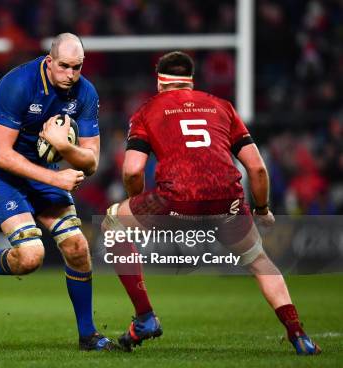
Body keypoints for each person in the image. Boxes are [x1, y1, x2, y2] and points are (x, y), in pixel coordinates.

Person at [103, 51, 321, 355]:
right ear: (190, 81)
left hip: (175, 199)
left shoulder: (147, 111)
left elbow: (132, 169)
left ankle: (145, 317)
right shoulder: (222, 106)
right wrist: (261, 209)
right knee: (259, 260)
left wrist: (137, 202)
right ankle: (299, 335)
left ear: (160, 82)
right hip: (228, 201)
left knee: (112, 224)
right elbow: (257, 167)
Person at [0, 33, 115, 351]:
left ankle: (88, 335)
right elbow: (0, 153)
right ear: (49, 61)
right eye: (64, 66)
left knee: (77, 247)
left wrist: (61, 145)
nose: (71, 74)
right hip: (0, 173)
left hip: (41, 175)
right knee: (31, 257)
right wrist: (56, 179)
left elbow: (92, 161)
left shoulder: (85, 92)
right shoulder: (17, 85)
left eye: (77, 67)